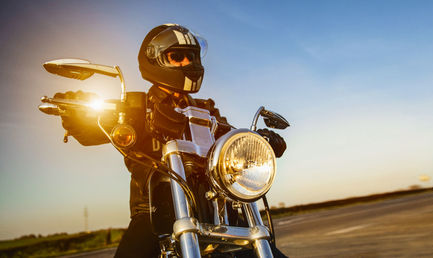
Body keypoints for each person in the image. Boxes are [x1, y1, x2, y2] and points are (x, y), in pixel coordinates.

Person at [54, 24, 287, 257]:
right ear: (155, 60)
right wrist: (75, 115)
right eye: (177, 56)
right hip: (156, 212)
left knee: (264, 248)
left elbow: (230, 138)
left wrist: (259, 140)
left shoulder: (207, 111)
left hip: (218, 209)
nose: (187, 63)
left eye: (191, 56)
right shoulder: (135, 107)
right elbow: (92, 129)